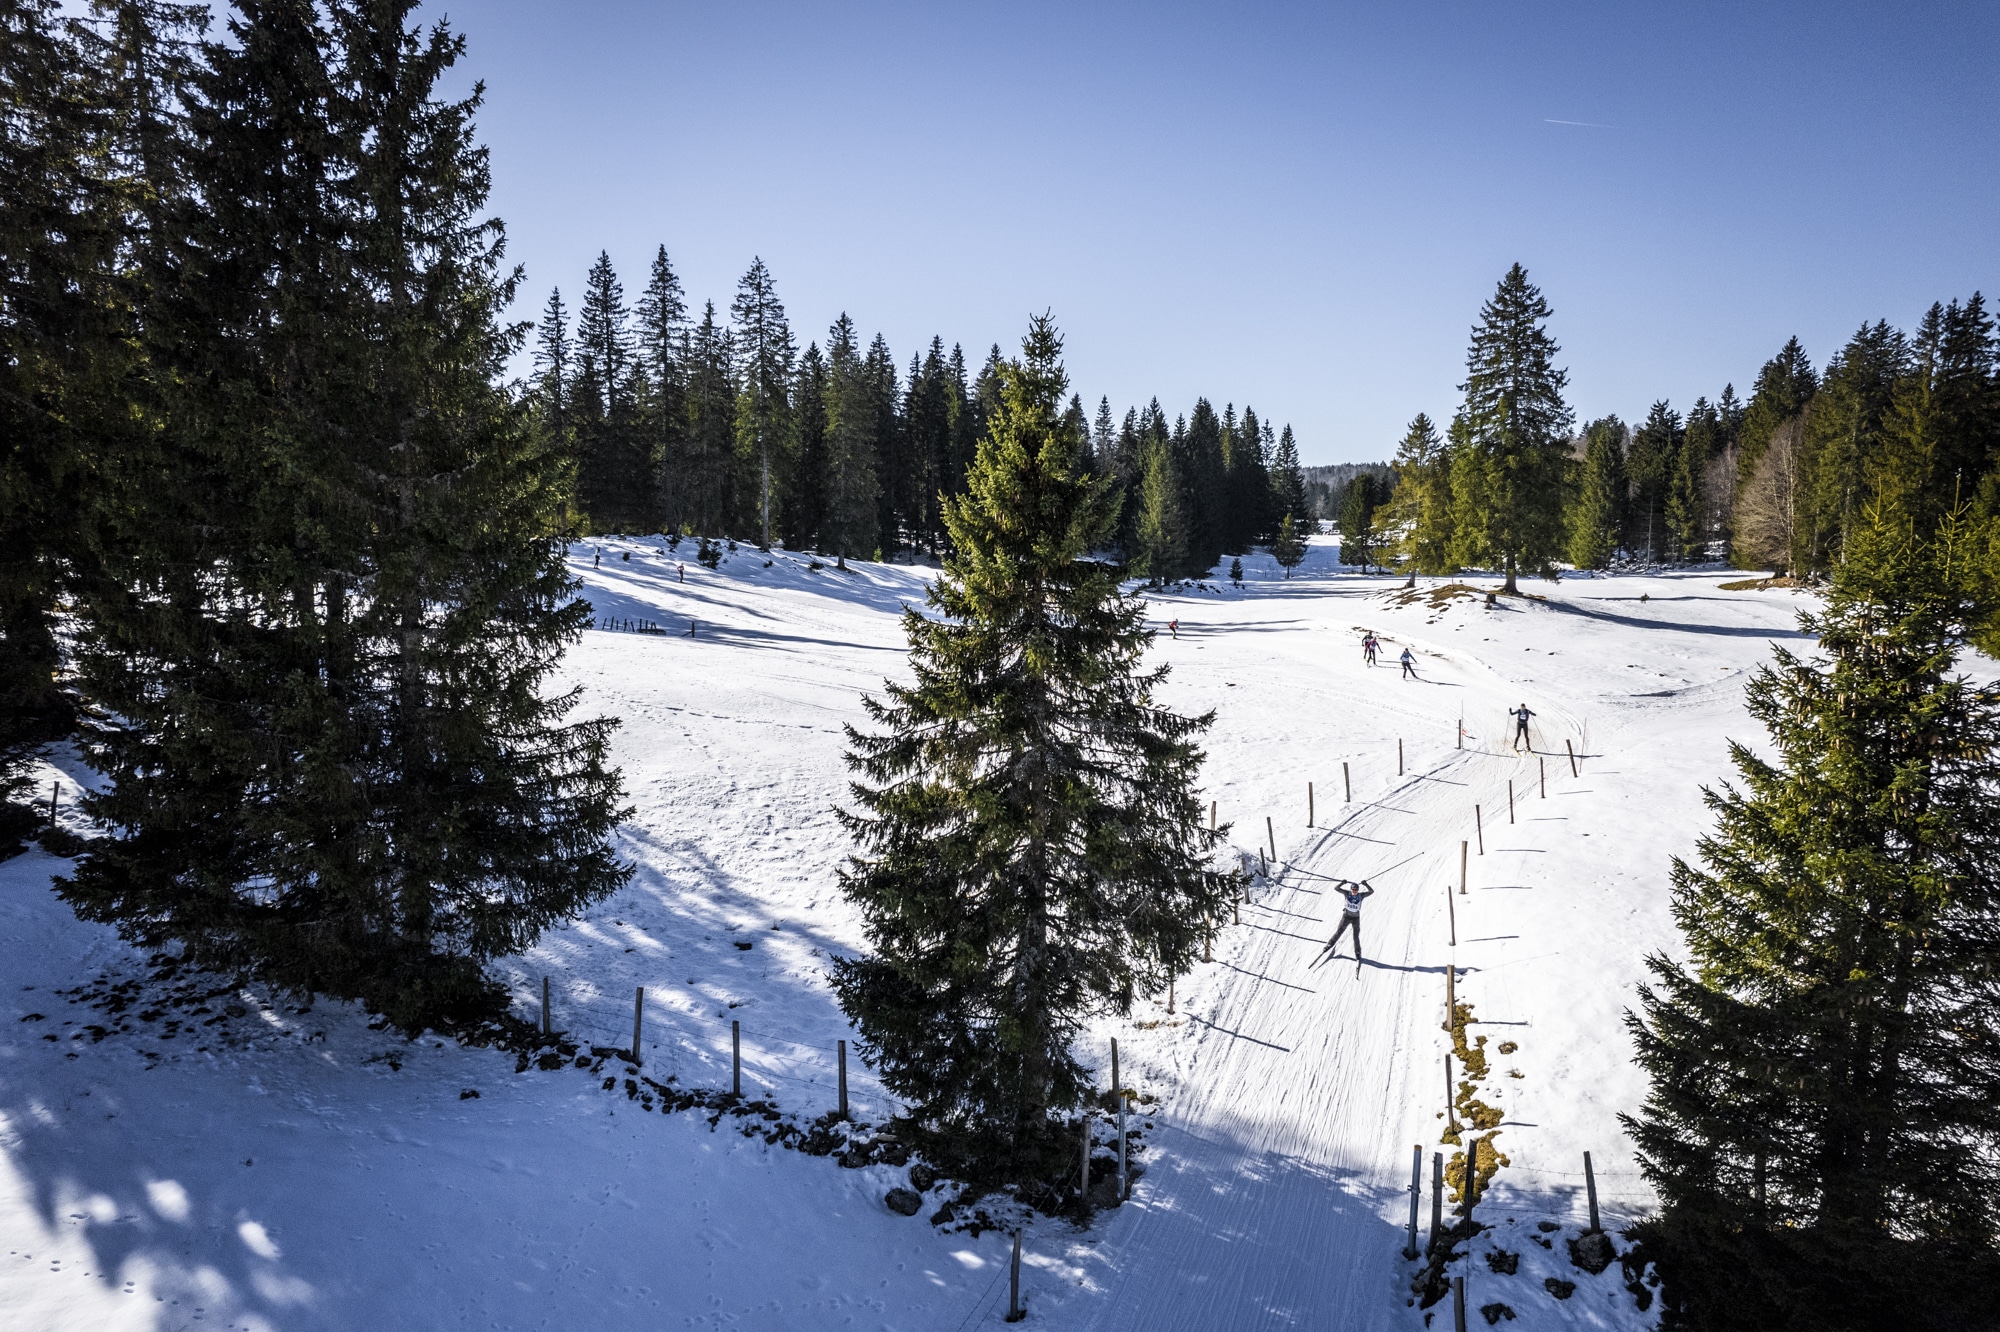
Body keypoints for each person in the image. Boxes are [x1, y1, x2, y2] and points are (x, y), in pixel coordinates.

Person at [1323, 879, 1376, 968]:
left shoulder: (1361, 895)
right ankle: (1329, 944)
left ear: (1358, 890)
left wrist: (1366, 884)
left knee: (1355, 936)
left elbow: (1371, 891)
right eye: (1353, 889)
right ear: (1351, 889)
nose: (1354, 891)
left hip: (1355, 919)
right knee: (1339, 932)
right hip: (1346, 917)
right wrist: (1342, 883)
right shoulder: (1347, 893)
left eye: (1356, 890)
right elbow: (1336, 888)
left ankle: (1358, 953)